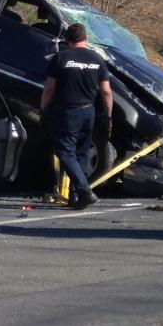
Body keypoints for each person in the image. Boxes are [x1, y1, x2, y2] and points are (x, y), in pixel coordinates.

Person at [40, 23, 112, 210]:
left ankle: (84, 191)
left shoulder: (61, 57)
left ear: (67, 41)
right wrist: (108, 116)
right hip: (88, 111)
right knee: (80, 153)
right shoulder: (98, 59)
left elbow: (49, 88)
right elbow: (106, 92)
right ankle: (76, 196)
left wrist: (43, 110)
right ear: (86, 39)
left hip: (67, 111)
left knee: (64, 151)